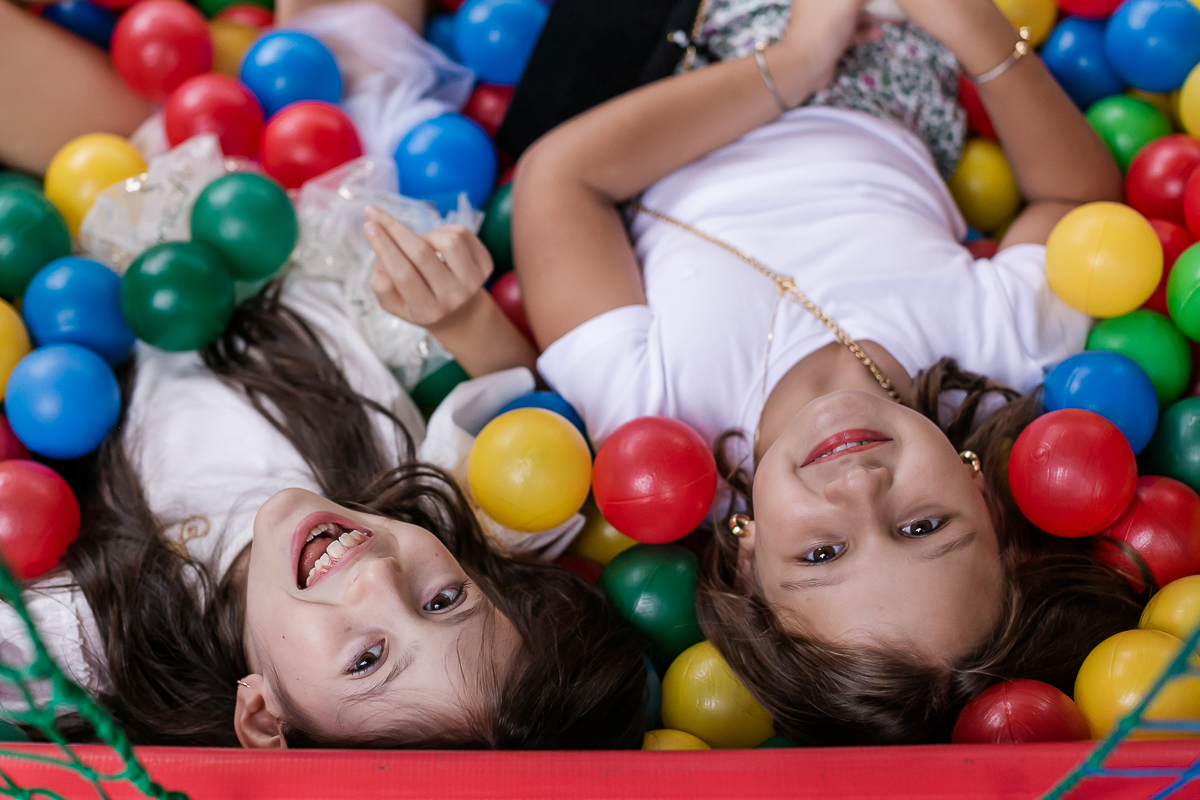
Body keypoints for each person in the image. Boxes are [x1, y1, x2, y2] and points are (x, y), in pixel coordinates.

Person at [393, 0, 1147, 744]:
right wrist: (978, 31)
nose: (859, 489)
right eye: (922, 525)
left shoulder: (650, 416)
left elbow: (562, 177)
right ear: (984, 498)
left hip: (667, 69)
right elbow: (1075, 200)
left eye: (821, 553)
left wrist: (793, 64)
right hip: (890, 68)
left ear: (748, 557)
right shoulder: (999, 349)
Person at [0, 0, 647, 750]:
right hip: (316, 188)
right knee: (344, 47)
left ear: (264, 715)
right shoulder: (437, 501)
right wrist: (457, 312)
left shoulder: (107, 635)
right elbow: (525, 415)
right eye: (443, 600)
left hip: (125, 217)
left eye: (368, 659)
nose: (376, 581)